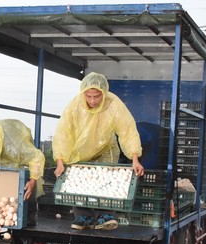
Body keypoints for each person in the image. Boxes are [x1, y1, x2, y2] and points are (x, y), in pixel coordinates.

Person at [52, 72, 144, 231]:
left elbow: (127, 130)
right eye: (88, 96)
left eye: (97, 96)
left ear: (104, 92)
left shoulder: (113, 104)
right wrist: (60, 161)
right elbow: (63, 133)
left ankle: (105, 215)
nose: (93, 100)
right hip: (80, 153)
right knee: (80, 184)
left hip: (105, 150)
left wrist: (135, 158)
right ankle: (83, 216)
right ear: (83, 94)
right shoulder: (74, 106)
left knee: (106, 182)